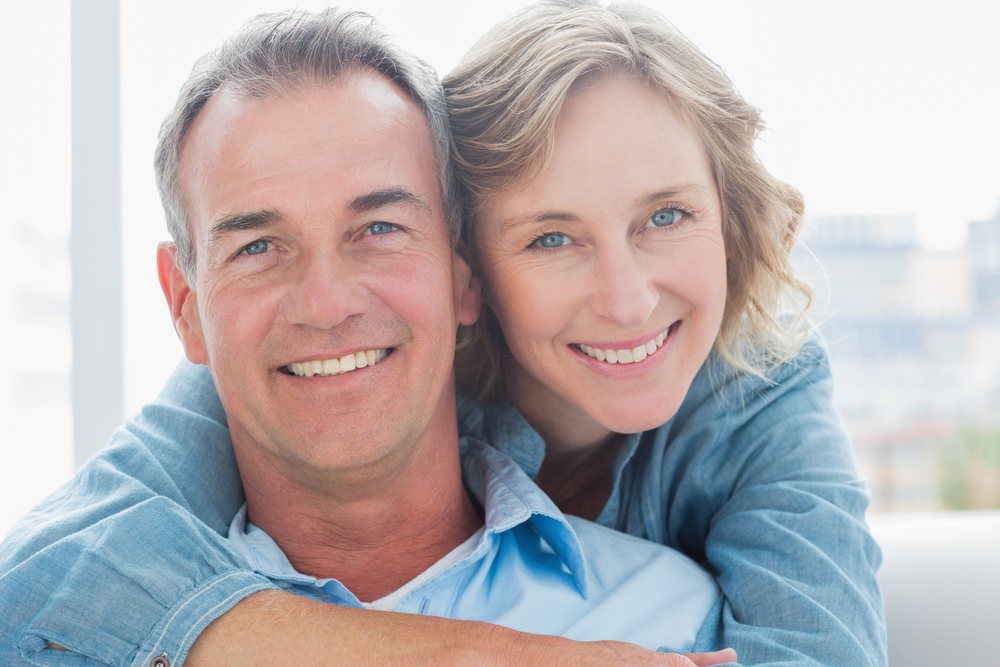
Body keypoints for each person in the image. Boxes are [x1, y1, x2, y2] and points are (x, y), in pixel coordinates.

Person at [0, 1, 887, 666]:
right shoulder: (280, 369)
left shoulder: (757, 398)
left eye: (666, 216)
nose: (625, 300)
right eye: (551, 237)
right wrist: (471, 651)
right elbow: (34, 580)